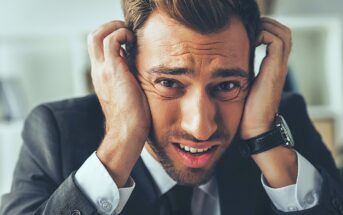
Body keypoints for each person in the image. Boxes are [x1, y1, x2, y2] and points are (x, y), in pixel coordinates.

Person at [1, 0, 343, 214]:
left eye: (227, 85)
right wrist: (122, 140)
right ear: (127, 70)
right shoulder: (55, 132)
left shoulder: (283, 122)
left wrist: (264, 141)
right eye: (169, 82)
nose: (201, 127)